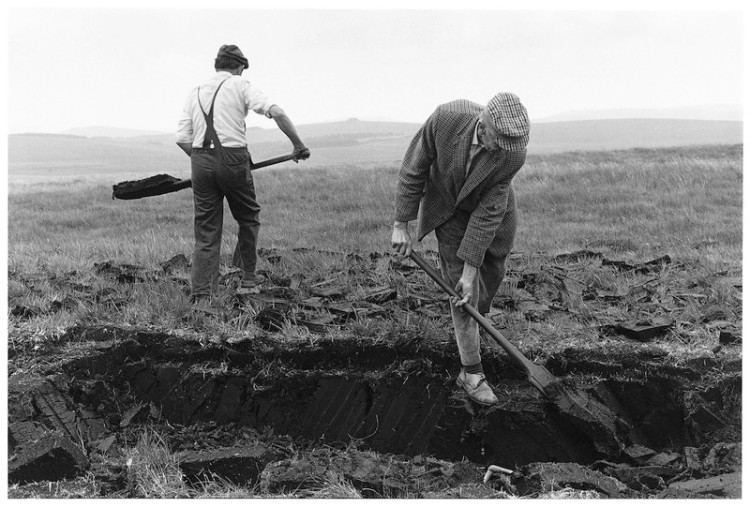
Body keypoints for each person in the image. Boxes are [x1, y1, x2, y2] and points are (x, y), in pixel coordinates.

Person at [391, 93, 530, 406]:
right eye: (500, 142)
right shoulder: (446, 118)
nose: (504, 150)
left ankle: (473, 326)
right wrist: (401, 224)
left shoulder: (513, 153)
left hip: (491, 214)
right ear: (485, 125)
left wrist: (472, 270)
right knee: (463, 293)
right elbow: (414, 168)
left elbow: (489, 211)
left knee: (485, 281)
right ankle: (471, 372)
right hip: (449, 210)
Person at [176, 44, 310, 304]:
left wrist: (205, 163)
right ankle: (248, 278)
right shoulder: (240, 85)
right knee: (248, 217)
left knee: (206, 230)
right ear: (239, 67)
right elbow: (277, 112)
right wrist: (298, 145)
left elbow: (182, 138)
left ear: (217, 65)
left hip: (200, 161)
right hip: (234, 158)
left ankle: (203, 294)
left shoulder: (195, 91)